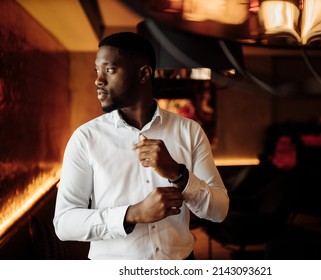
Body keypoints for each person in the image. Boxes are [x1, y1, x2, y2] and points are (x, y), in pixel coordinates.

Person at [53, 32, 229, 260]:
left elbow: (220, 211)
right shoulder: (85, 138)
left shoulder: (189, 131)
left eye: (109, 69)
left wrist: (178, 174)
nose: (98, 80)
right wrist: (132, 214)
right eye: (97, 70)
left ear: (143, 74)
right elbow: (64, 224)